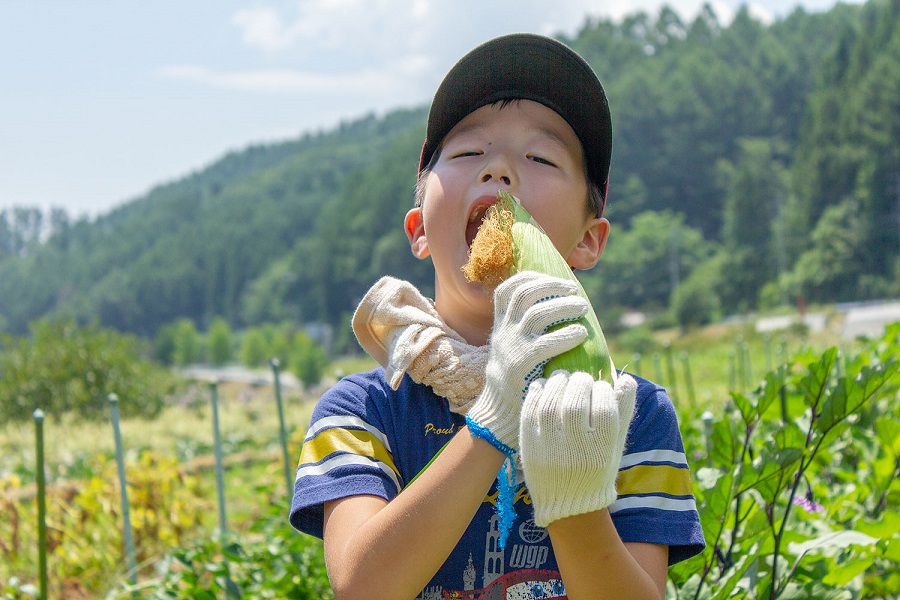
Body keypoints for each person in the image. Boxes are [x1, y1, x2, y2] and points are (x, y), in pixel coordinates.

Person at [290, 33, 704, 600]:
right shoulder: (365, 409)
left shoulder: (630, 417)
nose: (500, 170)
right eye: (467, 153)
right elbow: (362, 586)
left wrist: (574, 492)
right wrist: (497, 414)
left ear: (588, 240)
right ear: (418, 231)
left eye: (540, 157)